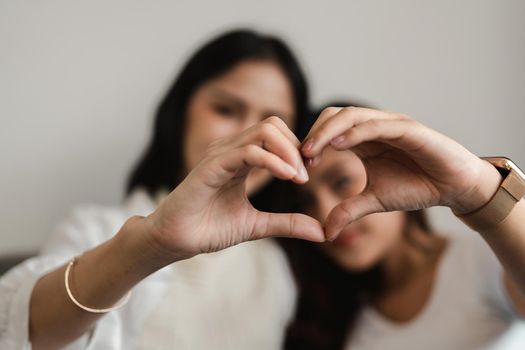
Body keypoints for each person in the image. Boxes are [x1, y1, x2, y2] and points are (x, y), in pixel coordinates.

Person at [0, 29, 320, 350]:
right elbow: (24, 332)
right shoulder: (93, 228)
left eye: (276, 123)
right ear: (181, 112)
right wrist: (151, 244)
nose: (252, 136)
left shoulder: (278, 264)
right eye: (226, 110)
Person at [279, 104, 525, 349]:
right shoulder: (323, 313)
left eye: (342, 182)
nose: (324, 213)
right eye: (305, 202)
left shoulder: (480, 259)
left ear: (396, 167)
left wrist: (475, 188)